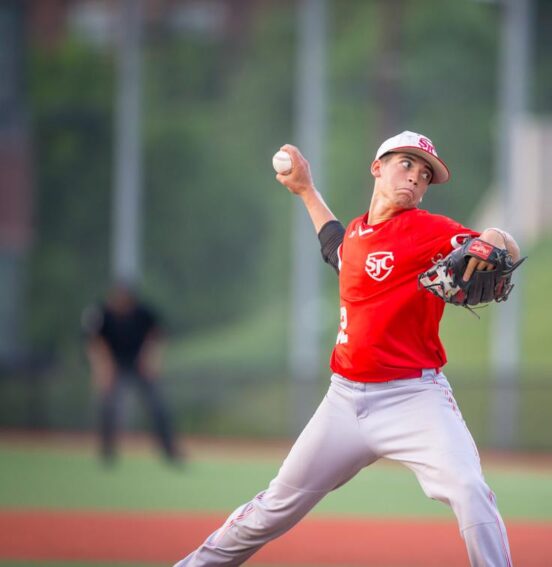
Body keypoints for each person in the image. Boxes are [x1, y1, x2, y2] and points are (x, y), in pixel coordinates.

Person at [176, 131, 520, 566]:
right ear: (377, 167)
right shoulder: (357, 235)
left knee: (469, 489)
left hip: (414, 398)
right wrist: (305, 189)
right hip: (344, 401)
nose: (416, 177)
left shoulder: (428, 230)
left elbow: (499, 246)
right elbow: (335, 247)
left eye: (425, 173)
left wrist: (496, 235)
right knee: (270, 509)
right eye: (406, 164)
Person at [82, 281, 180, 466]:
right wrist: (102, 370)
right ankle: (107, 452)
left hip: (139, 362)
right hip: (114, 363)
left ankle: (169, 451)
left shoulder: (144, 313)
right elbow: (94, 343)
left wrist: (151, 358)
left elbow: (157, 335)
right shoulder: (101, 315)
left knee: (157, 405)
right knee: (108, 404)